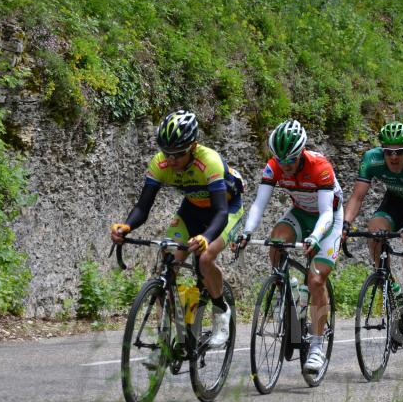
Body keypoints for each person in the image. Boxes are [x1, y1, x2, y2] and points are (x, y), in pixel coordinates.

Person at [110, 110, 244, 359]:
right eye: (166, 152)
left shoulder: (210, 161)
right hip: (191, 210)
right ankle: (165, 341)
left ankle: (220, 309)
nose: (170, 160)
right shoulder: (160, 163)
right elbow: (143, 207)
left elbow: (221, 213)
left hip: (225, 210)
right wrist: (127, 226)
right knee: (168, 261)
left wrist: (206, 237)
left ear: (193, 147)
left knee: (204, 258)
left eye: (177, 154)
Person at [236, 119, 343, 374]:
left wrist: (316, 237)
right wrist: (247, 232)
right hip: (299, 212)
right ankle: (286, 287)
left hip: (327, 220)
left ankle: (316, 347)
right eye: (280, 160)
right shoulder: (274, 167)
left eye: (291, 161)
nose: (285, 166)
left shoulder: (320, 167)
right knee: (276, 240)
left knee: (316, 280)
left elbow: (327, 212)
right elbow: (259, 205)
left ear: (302, 153)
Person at [342, 121, 403, 365]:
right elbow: (357, 197)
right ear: (382, 150)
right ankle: (392, 287)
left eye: (399, 152)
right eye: (388, 152)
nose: (393, 157)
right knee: (374, 232)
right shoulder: (371, 159)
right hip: (394, 204)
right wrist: (344, 225)